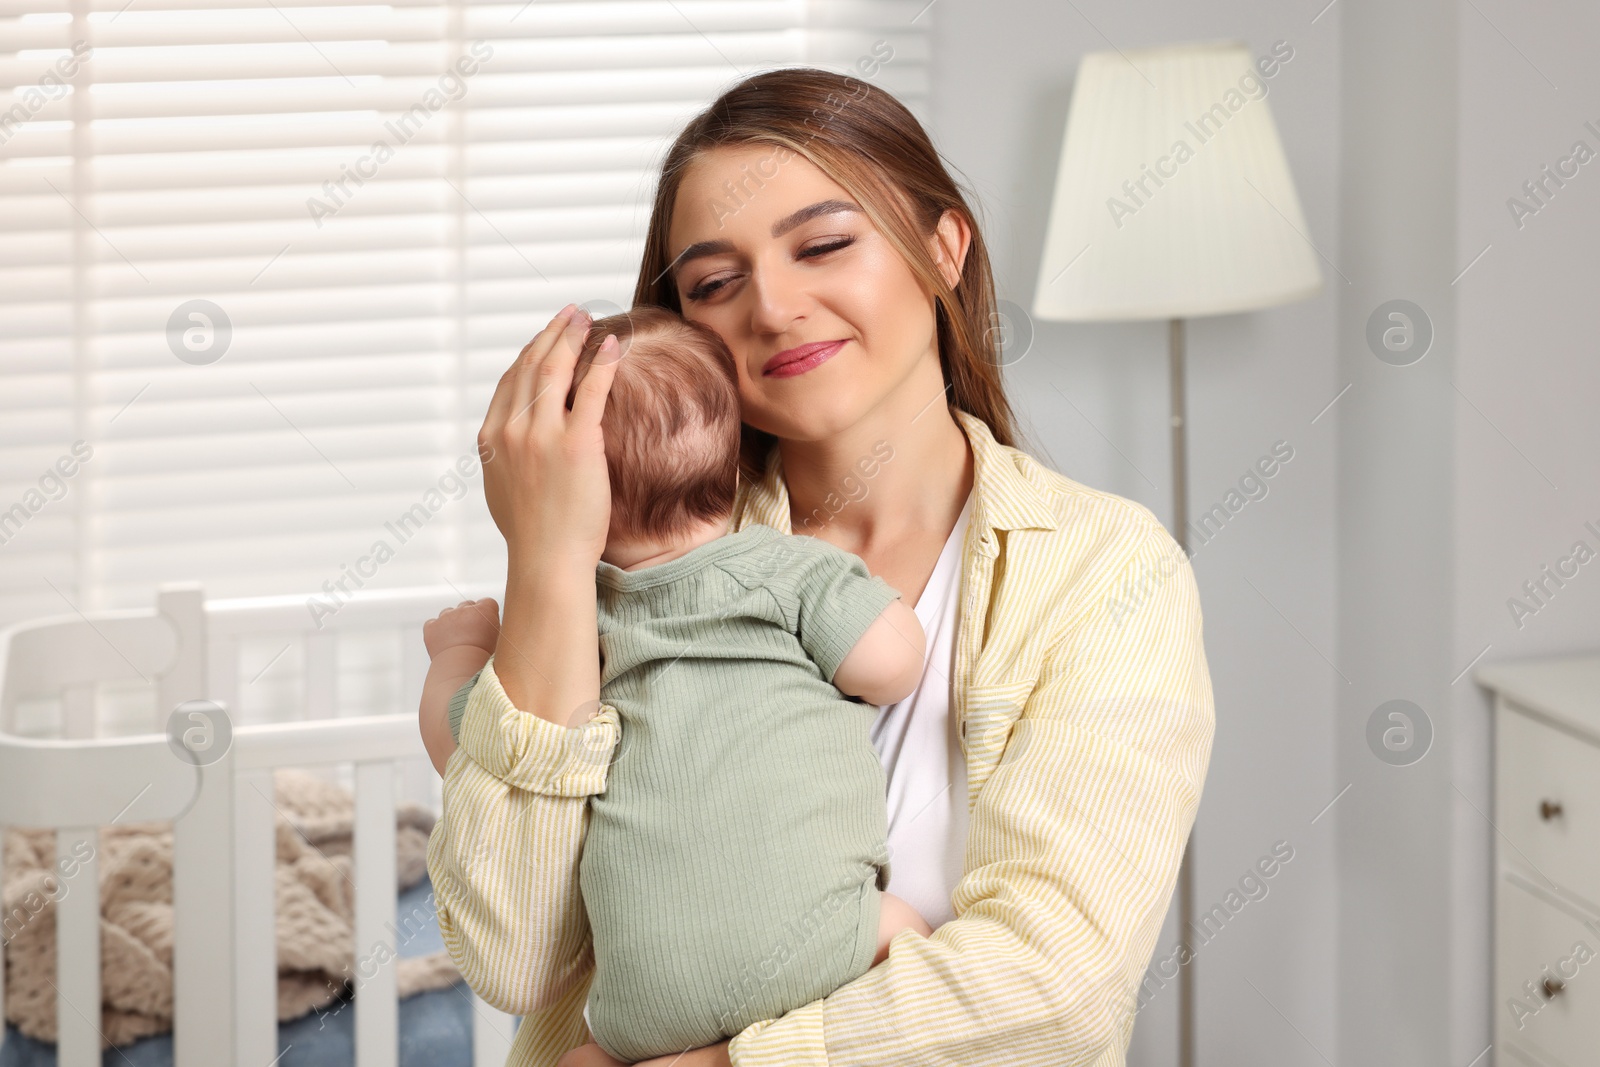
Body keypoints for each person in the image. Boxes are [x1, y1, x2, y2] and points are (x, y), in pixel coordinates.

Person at [425, 66, 1215, 1067]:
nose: (774, 305)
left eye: (824, 244)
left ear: (944, 248)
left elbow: (1056, 987)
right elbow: (516, 958)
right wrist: (547, 561)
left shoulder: (1104, 570)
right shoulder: (625, 578)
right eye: (714, 282)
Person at [416, 305, 936, 1063]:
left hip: (644, 1007)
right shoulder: (788, 565)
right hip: (831, 948)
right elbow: (893, 666)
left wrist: (459, 653)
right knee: (906, 932)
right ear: (735, 460)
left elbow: (459, 736)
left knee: (585, 1047)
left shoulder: (572, 630)